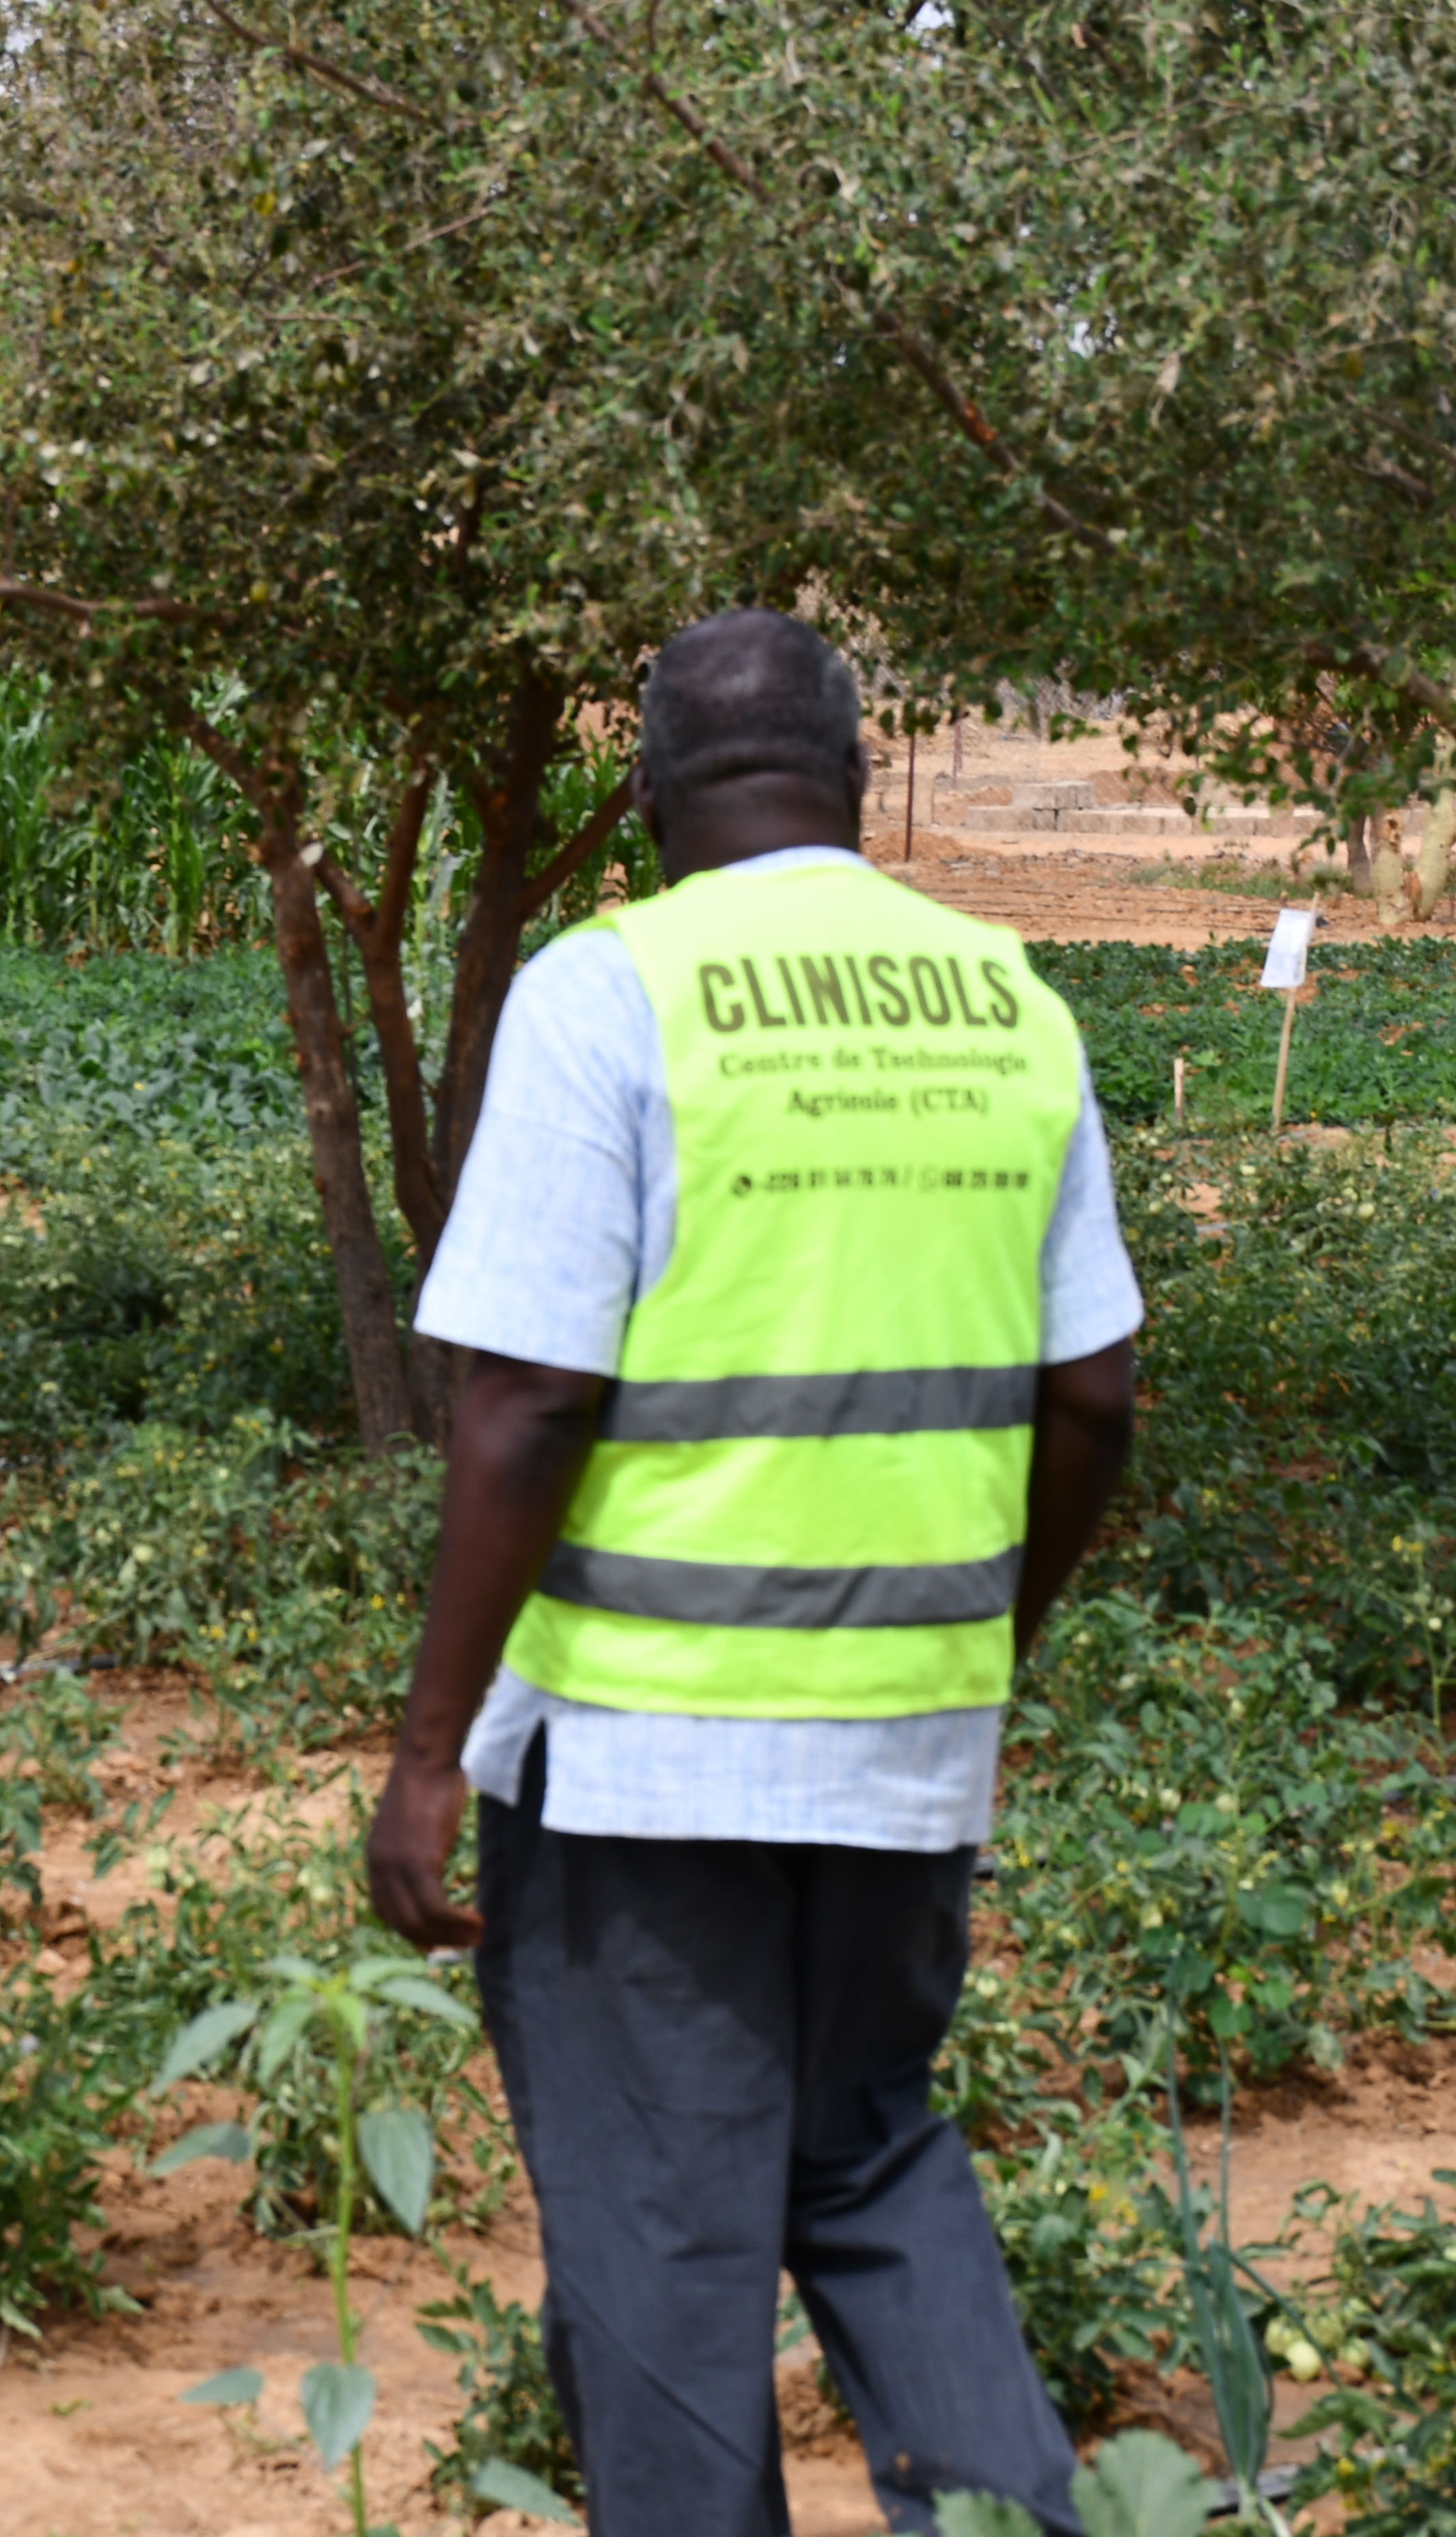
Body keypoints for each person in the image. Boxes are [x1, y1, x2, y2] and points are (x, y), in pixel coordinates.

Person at [363, 610, 1140, 2535]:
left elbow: (527, 1399)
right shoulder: (1006, 1000)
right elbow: (1097, 1397)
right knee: (869, 2153)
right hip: (909, 1739)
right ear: (859, 779)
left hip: (649, 1755)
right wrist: (987, 1642)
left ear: (644, 795)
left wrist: (425, 1752)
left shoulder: (609, 991)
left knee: (664, 2232)